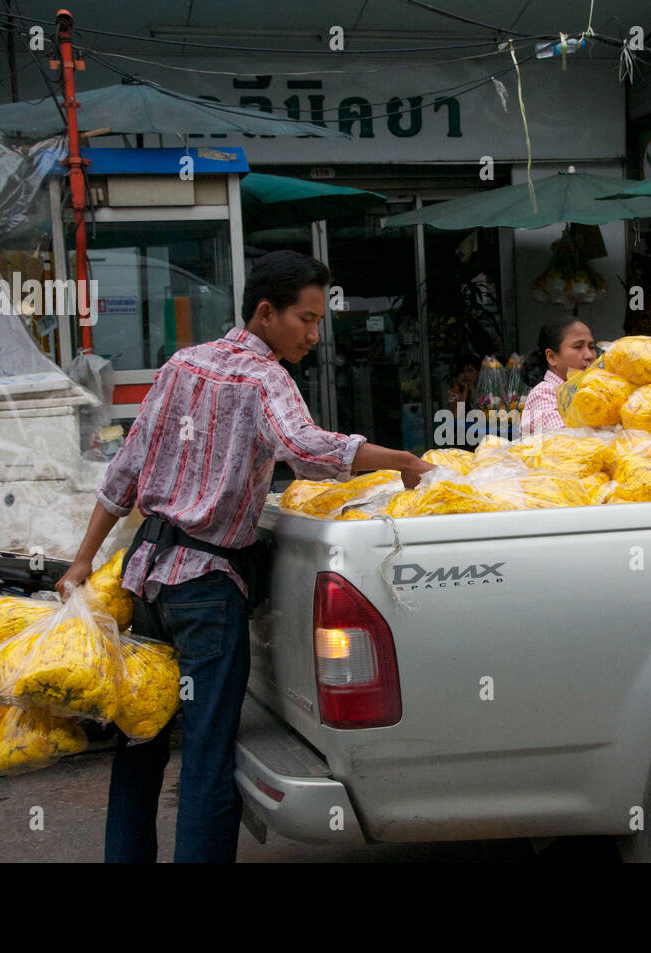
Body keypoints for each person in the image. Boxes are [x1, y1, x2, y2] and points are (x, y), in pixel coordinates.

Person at [54, 250, 432, 864]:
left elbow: (122, 474)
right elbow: (307, 449)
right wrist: (405, 461)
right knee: (207, 753)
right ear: (265, 313)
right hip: (205, 590)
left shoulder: (182, 364)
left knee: (139, 738)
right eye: (305, 320)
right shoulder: (264, 378)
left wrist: (80, 562)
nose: (313, 335)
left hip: (145, 581)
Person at [519, 318, 597, 436]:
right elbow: (564, 443)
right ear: (552, 357)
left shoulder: (587, 391)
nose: (589, 355)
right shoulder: (544, 393)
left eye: (591, 347)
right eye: (578, 347)